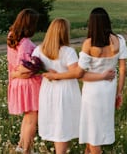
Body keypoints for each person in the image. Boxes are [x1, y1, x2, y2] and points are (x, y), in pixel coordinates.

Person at [35, 18, 116, 154]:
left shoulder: (39, 50)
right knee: (63, 125)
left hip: (47, 90)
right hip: (66, 90)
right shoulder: (67, 51)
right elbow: (76, 73)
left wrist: (46, 72)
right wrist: (56, 75)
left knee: (56, 123)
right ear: (64, 32)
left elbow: (31, 68)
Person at [78, 7, 127, 154]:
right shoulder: (119, 40)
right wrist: (119, 92)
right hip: (109, 88)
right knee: (99, 124)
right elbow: (123, 70)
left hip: (92, 90)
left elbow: (81, 75)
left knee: (93, 129)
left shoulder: (89, 44)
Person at [7, 8, 42, 153]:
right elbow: (25, 68)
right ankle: (27, 149)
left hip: (17, 84)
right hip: (28, 84)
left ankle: (21, 146)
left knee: (27, 117)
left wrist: (13, 74)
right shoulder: (26, 43)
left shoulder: (12, 36)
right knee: (32, 118)